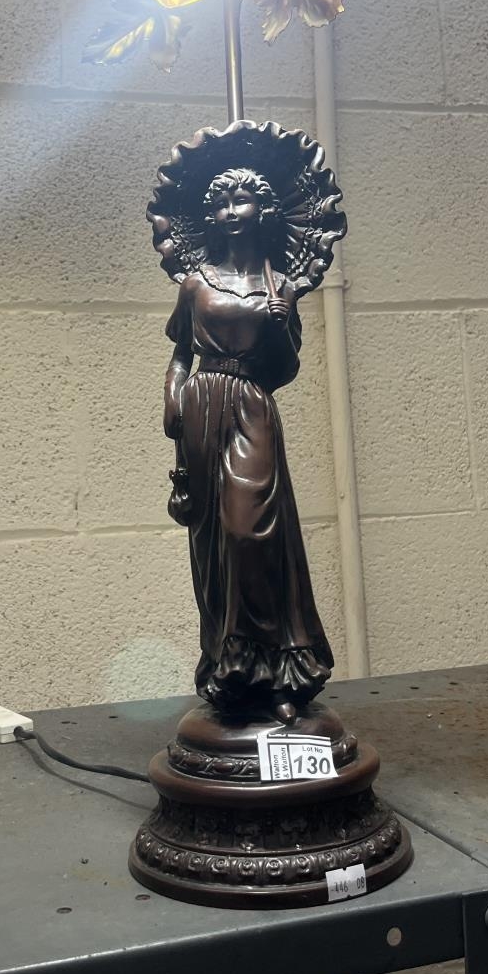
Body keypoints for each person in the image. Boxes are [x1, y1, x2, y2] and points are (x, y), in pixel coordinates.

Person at [162, 166, 333, 723]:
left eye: (241, 201)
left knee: (250, 532)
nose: (230, 212)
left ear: (265, 211)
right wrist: (172, 397)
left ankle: (280, 669)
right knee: (212, 542)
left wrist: (282, 327)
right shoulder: (196, 283)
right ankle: (231, 672)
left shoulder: (281, 286)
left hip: (251, 405)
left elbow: (283, 372)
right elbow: (181, 354)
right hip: (200, 406)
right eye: (221, 203)